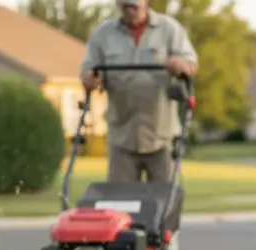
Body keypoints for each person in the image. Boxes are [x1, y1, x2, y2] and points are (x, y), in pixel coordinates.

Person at [80, 0, 199, 184]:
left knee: (165, 198)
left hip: (162, 136)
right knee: (120, 199)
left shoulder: (169, 28)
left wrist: (181, 65)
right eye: (126, 6)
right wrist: (90, 79)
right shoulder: (103, 34)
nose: (130, 10)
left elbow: (191, 66)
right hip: (122, 137)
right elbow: (88, 71)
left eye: (134, 6)